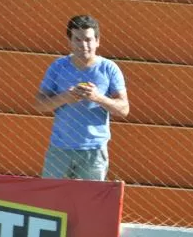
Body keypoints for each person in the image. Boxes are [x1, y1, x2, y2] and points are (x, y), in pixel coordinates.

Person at [34, 15, 129, 181]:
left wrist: (98, 98)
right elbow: (39, 104)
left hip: (94, 151)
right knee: (51, 202)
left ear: (97, 41)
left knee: (89, 203)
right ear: (70, 41)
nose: (83, 45)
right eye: (77, 39)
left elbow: (124, 110)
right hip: (60, 148)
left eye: (88, 39)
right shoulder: (58, 67)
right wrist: (65, 97)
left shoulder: (109, 68)